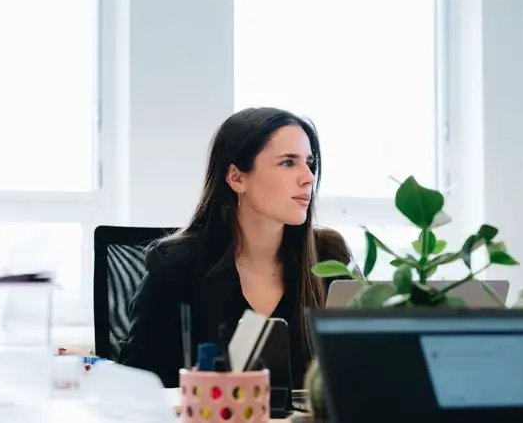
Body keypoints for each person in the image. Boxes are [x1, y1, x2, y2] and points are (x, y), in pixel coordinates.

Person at [117, 107, 356, 388]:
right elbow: (136, 385)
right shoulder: (176, 265)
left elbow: (364, 368)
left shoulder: (329, 255)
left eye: (310, 163)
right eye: (288, 163)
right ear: (236, 178)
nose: (308, 177)